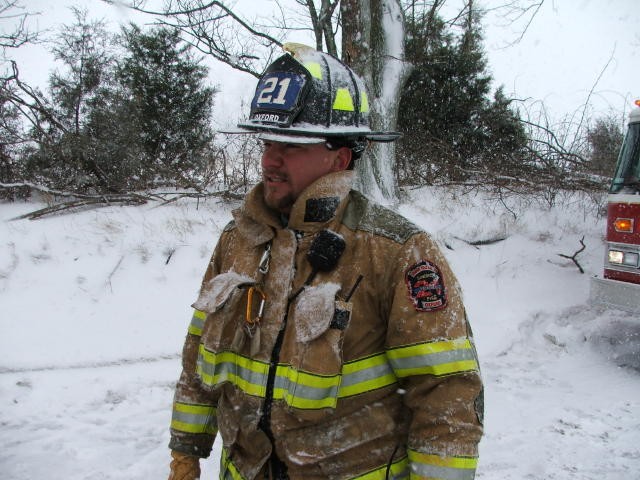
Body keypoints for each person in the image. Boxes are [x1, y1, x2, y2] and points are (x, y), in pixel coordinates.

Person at [167, 44, 483, 480]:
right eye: (268, 142)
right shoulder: (239, 239)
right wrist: (186, 450)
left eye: (292, 146)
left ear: (341, 156)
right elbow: (198, 354)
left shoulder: (396, 251)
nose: (270, 159)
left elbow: (446, 391)